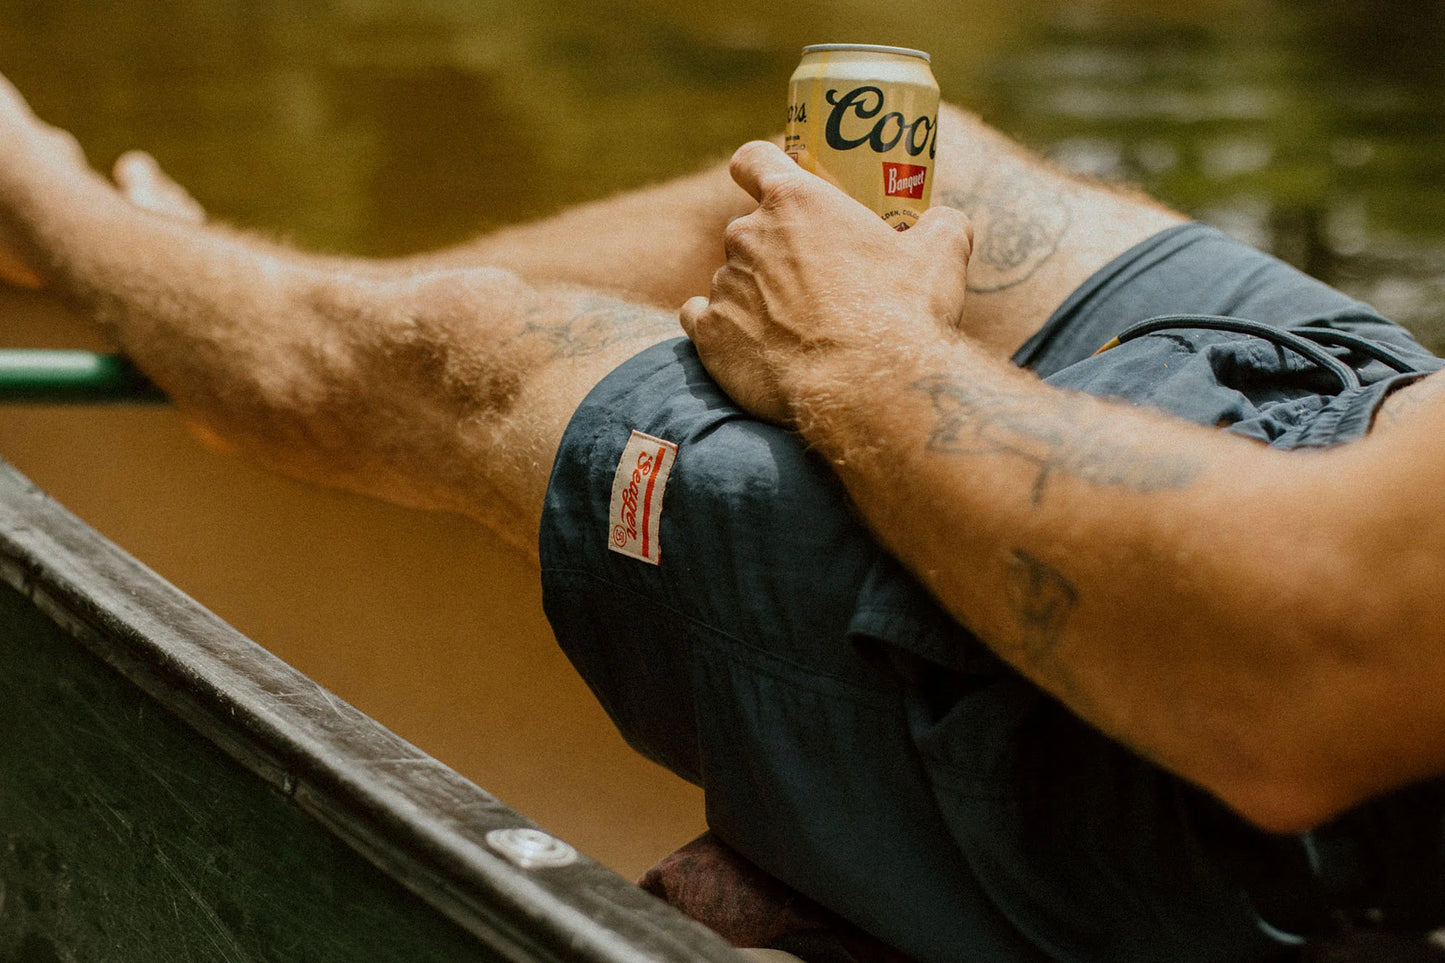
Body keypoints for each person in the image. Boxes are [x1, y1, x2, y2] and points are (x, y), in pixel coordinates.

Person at [3, 67, 1444, 960]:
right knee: (907, 167)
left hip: (1251, 755)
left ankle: (58, 211)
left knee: (473, 351)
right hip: (1379, 450)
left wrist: (860, 364)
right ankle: (276, 328)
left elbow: (1284, 668)